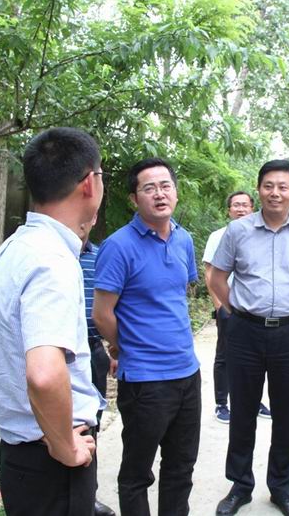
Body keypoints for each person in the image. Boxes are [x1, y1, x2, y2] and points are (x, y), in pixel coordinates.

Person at [0, 127, 105, 515]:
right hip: (51, 461)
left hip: (22, 456)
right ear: (89, 183)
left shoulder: (15, 248)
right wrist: (66, 448)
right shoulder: (52, 260)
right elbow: (45, 374)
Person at [208, 159, 289, 516]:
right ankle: (240, 486)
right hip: (244, 331)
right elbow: (217, 279)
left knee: (286, 413)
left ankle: (281, 487)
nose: (275, 192)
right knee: (242, 412)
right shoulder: (238, 231)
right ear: (259, 189)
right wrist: (238, 311)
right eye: (268, 185)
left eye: (282, 186)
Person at [92, 157, 201, 515]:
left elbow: (177, 295)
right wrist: (126, 347)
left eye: (165, 186)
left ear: (176, 192)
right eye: (149, 188)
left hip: (188, 373)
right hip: (145, 381)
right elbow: (102, 313)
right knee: (137, 474)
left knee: (181, 468)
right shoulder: (118, 246)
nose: (159, 194)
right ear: (133, 199)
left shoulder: (184, 239)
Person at [202, 191, 271, 424]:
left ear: (252, 208)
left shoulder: (261, 236)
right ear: (229, 210)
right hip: (228, 306)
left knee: (257, 357)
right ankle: (221, 403)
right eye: (236, 205)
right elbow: (210, 273)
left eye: (245, 205)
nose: (241, 209)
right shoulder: (218, 236)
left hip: (254, 308)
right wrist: (219, 306)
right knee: (225, 354)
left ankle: (255, 400)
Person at [79, 218, 117, 516]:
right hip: (56, 352)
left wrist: (114, 347)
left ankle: (86, 496)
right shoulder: (50, 253)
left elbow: (111, 304)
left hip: (93, 351)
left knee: (91, 425)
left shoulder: (100, 255)